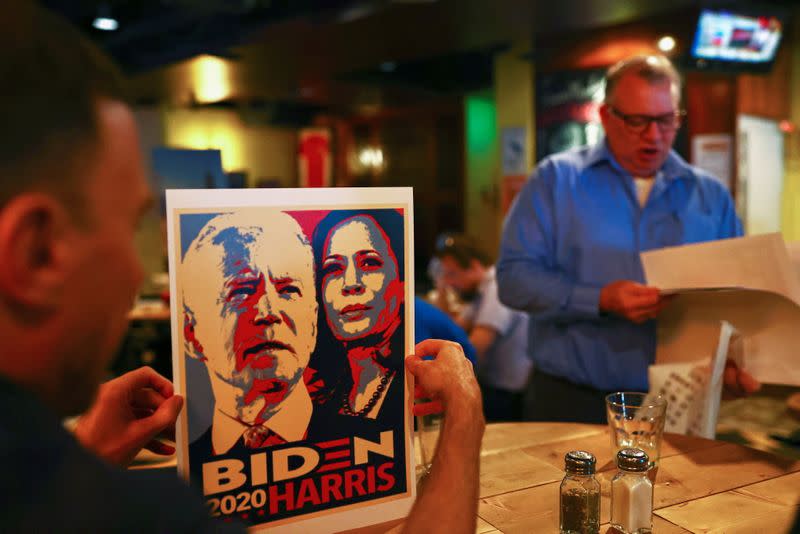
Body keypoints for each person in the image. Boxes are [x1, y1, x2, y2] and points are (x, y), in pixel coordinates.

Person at [0, 4, 484, 532]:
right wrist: (464, 420)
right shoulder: (160, 511)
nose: (135, 275)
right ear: (36, 253)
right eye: (128, 224)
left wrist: (83, 456)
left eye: (289, 289)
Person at [497, 54, 760, 424]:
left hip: (681, 403)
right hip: (571, 401)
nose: (653, 136)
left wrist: (734, 362)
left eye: (666, 121)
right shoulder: (556, 180)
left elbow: (739, 300)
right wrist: (599, 299)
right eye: (637, 121)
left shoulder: (711, 197)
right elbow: (513, 280)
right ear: (606, 117)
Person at [180, 211, 318, 457]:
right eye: (241, 291)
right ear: (191, 335)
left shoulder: (372, 446)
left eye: (288, 289)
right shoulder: (188, 478)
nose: (268, 311)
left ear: (313, 323)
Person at [311, 210, 406, 422]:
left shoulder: (419, 389)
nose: (350, 283)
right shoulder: (316, 398)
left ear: (403, 283)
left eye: (369, 263)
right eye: (334, 268)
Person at [434, 234, 531, 421]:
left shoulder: (497, 288)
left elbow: (477, 345)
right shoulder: (481, 290)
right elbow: (453, 327)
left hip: (508, 394)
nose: (450, 281)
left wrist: (443, 376)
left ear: (475, 266)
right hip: (497, 388)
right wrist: (442, 291)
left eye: (452, 274)